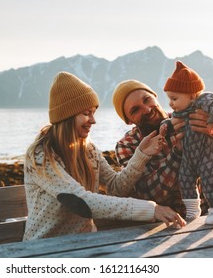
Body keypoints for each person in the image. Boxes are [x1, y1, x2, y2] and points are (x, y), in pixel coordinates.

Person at [23, 71, 186, 241]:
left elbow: (116, 188)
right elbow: (79, 201)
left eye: (93, 112)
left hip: (87, 243)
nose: (93, 120)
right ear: (67, 115)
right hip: (44, 247)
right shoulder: (40, 155)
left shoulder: (88, 149)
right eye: (87, 113)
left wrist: (141, 155)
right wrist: (151, 209)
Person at [112, 70, 213, 221]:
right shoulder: (127, 145)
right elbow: (148, 193)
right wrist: (177, 153)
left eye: (147, 99)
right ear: (128, 120)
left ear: (155, 97)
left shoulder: (194, 116)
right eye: (135, 110)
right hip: (169, 225)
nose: (147, 109)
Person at [160, 61, 213, 225]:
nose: (170, 103)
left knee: (211, 181)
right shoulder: (179, 112)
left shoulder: (203, 102)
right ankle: (192, 210)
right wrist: (164, 127)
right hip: (188, 158)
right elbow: (169, 121)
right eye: (169, 98)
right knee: (185, 180)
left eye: (174, 98)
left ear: (192, 95)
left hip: (207, 155)